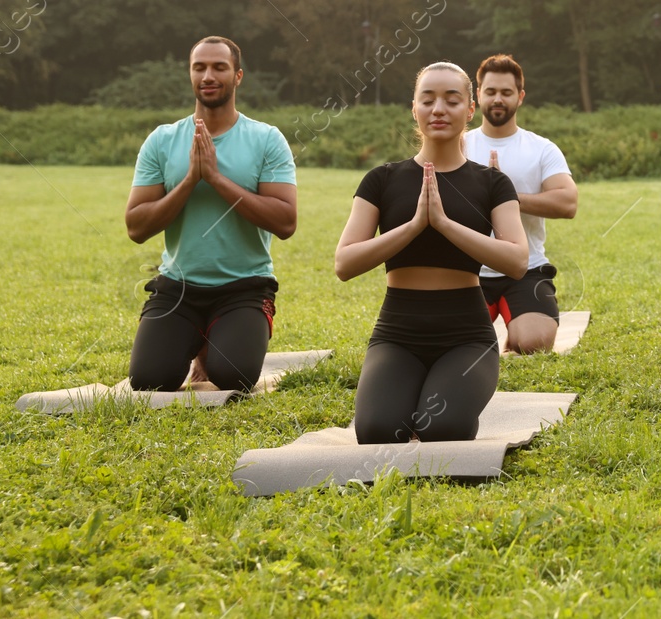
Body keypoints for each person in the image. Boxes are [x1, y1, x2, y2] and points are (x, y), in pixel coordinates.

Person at [334, 62, 528, 444]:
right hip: (398, 332)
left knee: (442, 429)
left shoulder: (492, 183)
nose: (439, 109)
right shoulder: (382, 179)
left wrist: (444, 224)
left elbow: (517, 261)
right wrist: (412, 226)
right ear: (414, 108)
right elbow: (345, 263)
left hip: (467, 335)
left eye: (451, 100)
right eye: (428, 100)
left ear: (469, 110)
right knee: (376, 431)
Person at [124, 36, 297, 392]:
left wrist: (216, 179)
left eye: (219, 67)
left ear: (237, 76)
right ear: (190, 74)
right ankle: (197, 338)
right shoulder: (162, 140)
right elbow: (136, 227)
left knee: (232, 375)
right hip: (178, 288)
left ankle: (212, 344)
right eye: (199, 67)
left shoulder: (267, 139)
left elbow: (285, 222)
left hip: (244, 287)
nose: (208, 74)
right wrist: (190, 180)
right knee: (149, 381)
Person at [462, 54, 578, 354]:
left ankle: (518, 328)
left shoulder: (541, 148)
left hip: (525, 268)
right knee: (458, 343)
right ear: (478, 95)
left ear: (520, 97)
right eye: (490, 91)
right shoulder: (458, 146)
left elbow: (567, 203)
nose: (497, 99)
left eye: (506, 92)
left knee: (535, 344)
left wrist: (506, 194)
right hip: (468, 269)